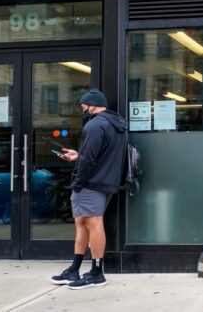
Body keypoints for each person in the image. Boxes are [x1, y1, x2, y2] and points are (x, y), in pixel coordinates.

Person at [50, 88, 128, 289]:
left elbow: (90, 159)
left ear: (93, 104)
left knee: (92, 223)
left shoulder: (95, 125)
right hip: (105, 181)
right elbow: (99, 155)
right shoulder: (114, 123)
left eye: (84, 104)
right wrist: (78, 155)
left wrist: (77, 182)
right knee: (83, 224)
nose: (83, 107)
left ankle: (97, 273)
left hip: (91, 183)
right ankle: (75, 269)